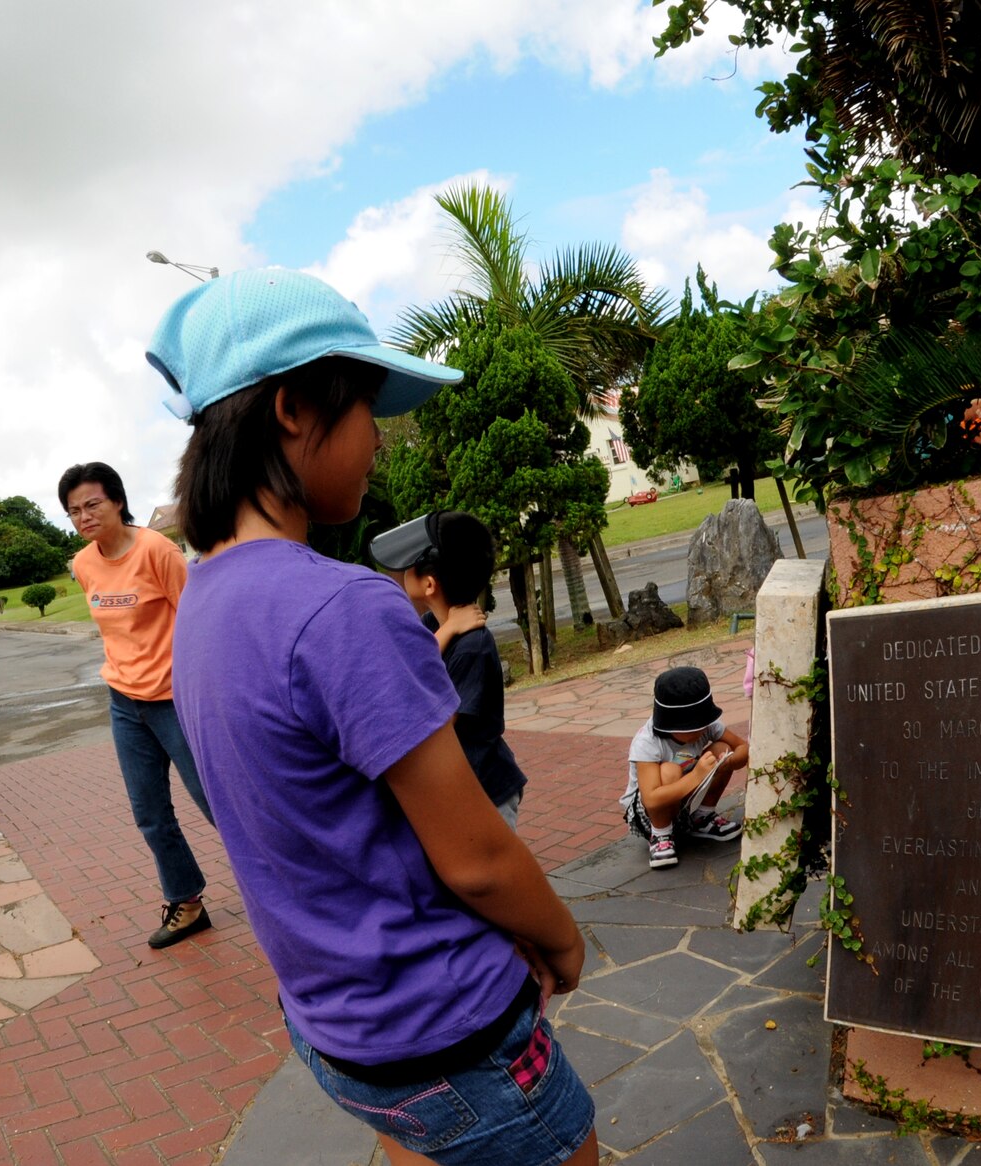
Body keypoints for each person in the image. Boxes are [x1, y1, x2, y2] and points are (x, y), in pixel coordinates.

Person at [154, 267, 598, 1166]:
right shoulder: (343, 607)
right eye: (365, 408)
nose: (380, 440)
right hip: (446, 1027)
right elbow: (476, 859)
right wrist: (563, 940)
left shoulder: (199, 604)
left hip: (334, 1034)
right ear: (290, 408)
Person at [58, 461, 215, 950]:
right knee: (149, 811)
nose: (83, 516)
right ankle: (186, 903)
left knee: (217, 802)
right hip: (124, 703)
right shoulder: (84, 564)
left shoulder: (156, 550)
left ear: (117, 501)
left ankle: (284, 885)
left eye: (91, 504)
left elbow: (197, 620)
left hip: (176, 701)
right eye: (73, 510)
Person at [371, 510, 529, 826]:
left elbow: (438, 720)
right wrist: (445, 632)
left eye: (406, 569)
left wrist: (446, 634)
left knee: (488, 872)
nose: (398, 576)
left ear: (429, 584)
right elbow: (402, 667)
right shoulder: (434, 625)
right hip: (459, 788)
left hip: (485, 792)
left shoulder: (473, 646)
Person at [622, 665, 748, 870]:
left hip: (688, 802)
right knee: (669, 770)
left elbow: (743, 748)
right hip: (649, 815)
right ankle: (661, 836)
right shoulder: (648, 742)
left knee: (721, 748)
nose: (702, 730)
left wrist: (729, 762)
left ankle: (702, 819)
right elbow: (651, 799)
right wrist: (697, 775)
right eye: (693, 726)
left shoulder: (708, 727)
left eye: (703, 723)